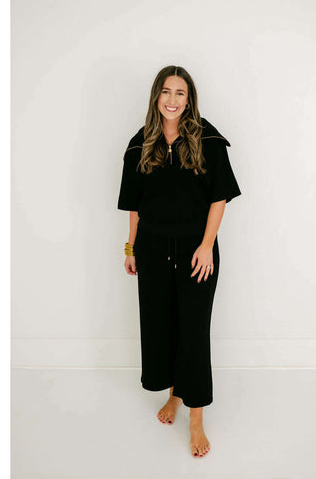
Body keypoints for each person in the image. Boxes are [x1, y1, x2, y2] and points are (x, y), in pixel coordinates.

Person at [117, 65, 241, 458]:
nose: (172, 100)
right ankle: (174, 395)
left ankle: (196, 419)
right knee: (163, 327)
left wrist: (206, 246)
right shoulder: (140, 144)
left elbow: (219, 198)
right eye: (166, 91)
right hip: (152, 251)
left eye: (180, 93)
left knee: (193, 331)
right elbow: (135, 206)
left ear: (189, 100)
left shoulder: (207, 139)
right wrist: (131, 249)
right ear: (157, 96)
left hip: (196, 252)